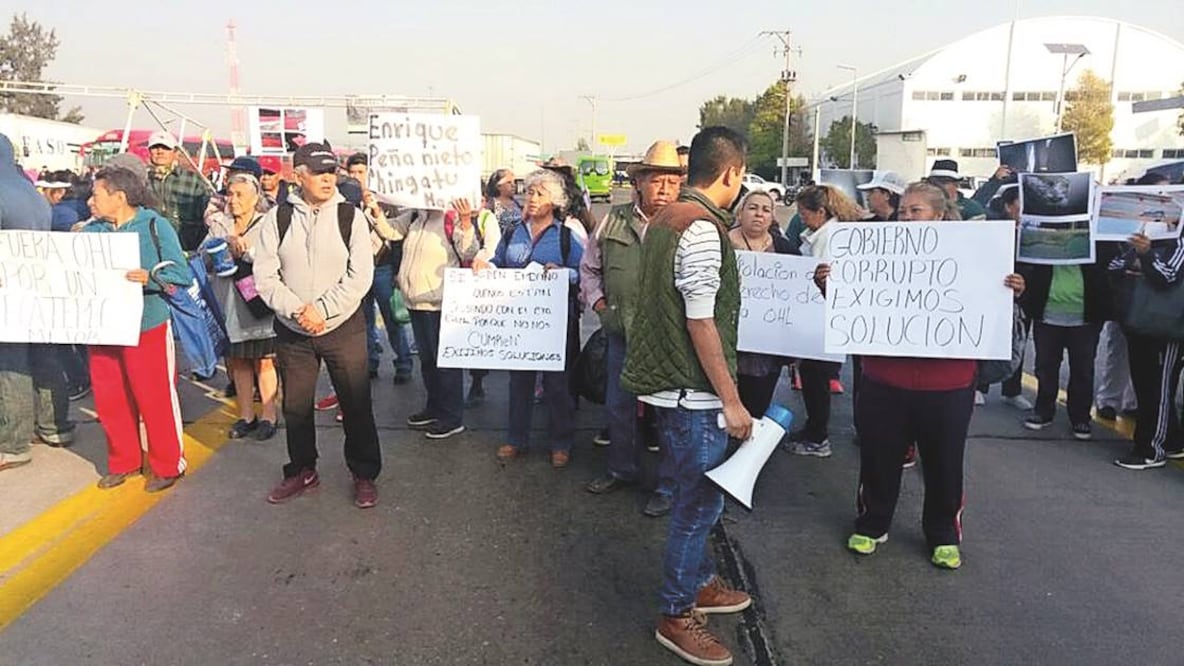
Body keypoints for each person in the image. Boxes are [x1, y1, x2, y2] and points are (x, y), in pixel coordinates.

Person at [819, 181, 1026, 570]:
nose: (907, 217)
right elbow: (855, 306)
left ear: (940, 215)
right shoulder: (877, 251)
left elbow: (990, 305)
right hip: (884, 378)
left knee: (944, 463)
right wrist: (829, 287)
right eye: (902, 212)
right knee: (879, 458)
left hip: (948, 383)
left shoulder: (975, 255)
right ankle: (873, 522)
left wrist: (1011, 290)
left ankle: (943, 533)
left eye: (917, 211)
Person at [621, 127, 754, 666]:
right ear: (731, 173)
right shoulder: (699, 228)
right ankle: (676, 614)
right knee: (697, 507)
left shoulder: (669, 218)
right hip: (691, 393)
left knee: (698, 498)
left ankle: (700, 582)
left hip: (672, 386)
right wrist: (732, 400)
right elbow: (701, 322)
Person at [253, 143, 382, 508]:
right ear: (299, 176)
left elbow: (360, 277)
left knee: (356, 404)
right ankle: (301, 469)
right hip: (293, 330)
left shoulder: (350, 217)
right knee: (295, 405)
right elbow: (265, 275)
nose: (328, 179)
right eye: (319, 172)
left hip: (342, 326)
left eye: (331, 173)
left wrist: (322, 311)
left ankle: (364, 473)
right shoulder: (277, 218)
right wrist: (297, 310)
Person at [581, 140, 682, 514]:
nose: (665, 190)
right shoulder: (612, 220)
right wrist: (600, 305)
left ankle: (669, 487)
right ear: (639, 182)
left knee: (669, 415)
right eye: (657, 181)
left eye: (672, 183)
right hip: (621, 332)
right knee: (618, 407)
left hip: (671, 341)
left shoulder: (689, 225)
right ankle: (620, 469)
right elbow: (589, 268)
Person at [83, 167, 194, 492]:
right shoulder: (92, 232)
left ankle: (167, 464)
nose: (91, 201)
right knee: (110, 397)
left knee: (155, 395)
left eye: (97, 194)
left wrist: (151, 278)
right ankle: (124, 461)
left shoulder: (154, 225)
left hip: (147, 324)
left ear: (119, 197)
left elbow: (181, 273)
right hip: (103, 327)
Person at [475, 169, 583, 467]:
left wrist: (563, 274)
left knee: (557, 384)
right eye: (530, 192)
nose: (531, 199)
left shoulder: (565, 236)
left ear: (556, 201)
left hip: (553, 323)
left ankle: (561, 442)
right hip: (517, 322)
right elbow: (498, 262)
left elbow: (582, 273)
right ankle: (516, 438)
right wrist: (486, 267)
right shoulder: (514, 231)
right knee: (518, 382)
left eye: (540, 194)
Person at [0, 134, 71, 472]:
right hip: (40, 287)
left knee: (11, 362)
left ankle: (13, 443)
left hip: (8, 290)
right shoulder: (32, 193)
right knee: (45, 356)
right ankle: (55, 427)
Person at [385, 202, 479, 440]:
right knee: (427, 359)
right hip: (415, 300)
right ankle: (435, 407)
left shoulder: (452, 216)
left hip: (441, 302)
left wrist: (466, 221)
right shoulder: (417, 214)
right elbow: (391, 230)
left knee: (445, 362)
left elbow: (469, 251)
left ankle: (451, 417)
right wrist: (374, 209)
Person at [1017, 206, 1111, 439]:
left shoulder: (1098, 238)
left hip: (1085, 316)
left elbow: (1110, 265)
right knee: (1046, 366)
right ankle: (1043, 410)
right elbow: (1029, 265)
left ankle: (1080, 417)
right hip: (1048, 312)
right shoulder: (1045, 233)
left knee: (1082, 369)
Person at [784, 185, 861, 458]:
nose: (801, 218)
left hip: (823, 321)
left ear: (820, 211)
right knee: (813, 377)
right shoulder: (825, 235)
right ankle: (813, 429)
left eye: (804, 212)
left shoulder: (831, 239)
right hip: (818, 320)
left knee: (816, 379)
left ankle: (818, 437)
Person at [204, 173, 280, 441]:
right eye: (230, 194)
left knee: (264, 360)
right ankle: (246, 416)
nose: (233, 200)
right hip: (228, 303)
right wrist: (222, 245)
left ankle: (269, 415)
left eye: (240, 195)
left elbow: (274, 257)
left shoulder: (267, 223)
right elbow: (205, 259)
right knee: (238, 362)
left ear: (255, 198)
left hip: (256, 302)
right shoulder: (219, 224)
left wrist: (246, 251)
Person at [1108, 233, 1184, 469]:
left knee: (1159, 389)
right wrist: (1140, 257)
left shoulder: (1178, 242)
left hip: (1166, 327)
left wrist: (1146, 257)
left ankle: (1151, 449)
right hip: (1138, 322)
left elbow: (1168, 276)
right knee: (1144, 385)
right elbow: (1115, 266)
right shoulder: (1147, 238)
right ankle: (1170, 440)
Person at [346, 153, 415, 385]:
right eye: (352, 173)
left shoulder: (389, 203)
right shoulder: (347, 202)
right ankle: (370, 362)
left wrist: (398, 270)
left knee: (392, 319)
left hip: (383, 268)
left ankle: (403, 363)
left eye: (360, 173)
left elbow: (397, 237)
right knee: (362, 322)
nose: (356, 177)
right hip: (356, 269)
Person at [728, 189, 795, 416]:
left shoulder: (785, 249)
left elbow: (802, 290)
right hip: (729, 342)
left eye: (766, 210)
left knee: (757, 404)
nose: (759, 214)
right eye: (753, 208)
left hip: (767, 347)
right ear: (741, 212)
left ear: (772, 217)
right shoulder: (723, 243)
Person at [974, 185, 1034, 410]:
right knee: (987, 339)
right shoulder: (993, 230)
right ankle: (980, 387)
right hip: (993, 294)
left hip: (1022, 295)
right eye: (1021, 205)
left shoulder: (1036, 233)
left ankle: (1013, 390)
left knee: (1017, 342)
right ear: (1009, 207)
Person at [463, 172, 510, 406]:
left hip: (477, 284)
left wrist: (482, 260)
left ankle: (477, 382)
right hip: (453, 283)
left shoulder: (486, 219)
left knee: (475, 335)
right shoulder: (448, 217)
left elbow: (492, 248)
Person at [144, 131, 211, 252]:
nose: (160, 151)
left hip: (185, 249)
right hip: (150, 248)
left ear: (175, 153)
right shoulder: (141, 180)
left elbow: (207, 216)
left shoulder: (193, 180)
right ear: (149, 151)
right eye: (155, 147)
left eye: (165, 148)